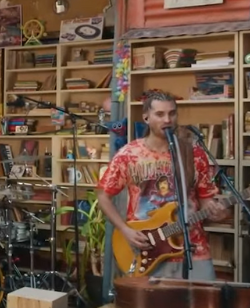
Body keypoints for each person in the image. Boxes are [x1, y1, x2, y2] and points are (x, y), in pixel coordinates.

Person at [95, 89, 229, 281]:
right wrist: (125, 230)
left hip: (193, 248)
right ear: (146, 118)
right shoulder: (129, 154)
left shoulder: (194, 153)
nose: (167, 119)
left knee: (204, 306)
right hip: (146, 247)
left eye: (172, 113)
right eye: (160, 114)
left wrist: (217, 210)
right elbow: (103, 195)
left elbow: (205, 198)